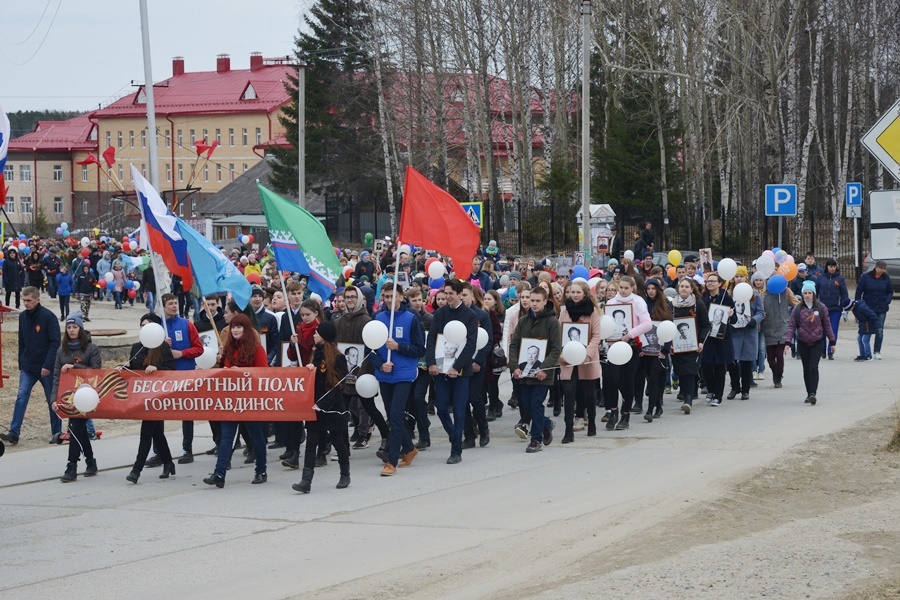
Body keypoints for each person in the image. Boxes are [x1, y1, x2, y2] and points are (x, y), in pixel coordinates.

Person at [203, 313, 269, 488]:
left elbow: (263, 373)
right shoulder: (228, 348)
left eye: (239, 327)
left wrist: (240, 372)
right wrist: (220, 362)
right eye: (233, 327)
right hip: (231, 400)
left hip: (249, 400)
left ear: (246, 329)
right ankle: (219, 473)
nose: (235, 330)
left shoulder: (256, 349)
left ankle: (261, 470)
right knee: (226, 437)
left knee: (256, 437)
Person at [369, 283, 426, 476]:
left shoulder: (411, 318)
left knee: (395, 415)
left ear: (402, 297)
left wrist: (398, 347)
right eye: (386, 296)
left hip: (404, 374)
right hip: (385, 374)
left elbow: (420, 349)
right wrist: (380, 364)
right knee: (394, 416)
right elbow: (370, 350)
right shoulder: (377, 319)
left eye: (393, 296)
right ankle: (409, 449)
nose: (389, 300)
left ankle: (391, 461)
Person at [292, 320, 352, 492]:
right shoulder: (316, 354)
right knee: (311, 443)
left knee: (338, 442)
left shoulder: (338, 358)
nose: (314, 335)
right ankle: (306, 480)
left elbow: (338, 387)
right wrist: (309, 371)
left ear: (324, 336)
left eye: (317, 332)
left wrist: (323, 404)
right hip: (315, 407)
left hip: (332, 407)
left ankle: (345, 474)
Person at [426, 278, 479, 464]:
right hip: (441, 369)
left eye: (451, 293)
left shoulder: (470, 315)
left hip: (461, 371)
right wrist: (431, 363)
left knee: (459, 409)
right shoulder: (440, 314)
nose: (447, 297)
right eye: (445, 293)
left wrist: (457, 366)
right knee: (441, 407)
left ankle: (456, 451)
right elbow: (432, 339)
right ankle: (454, 436)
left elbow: (471, 345)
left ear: (458, 294)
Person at [1, 287, 62, 445]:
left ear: (37, 299)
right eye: (24, 300)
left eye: (29, 300)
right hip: (28, 366)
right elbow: (21, 341)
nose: (26, 303)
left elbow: (55, 343)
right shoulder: (23, 317)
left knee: (52, 400)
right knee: (21, 396)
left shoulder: (48, 317)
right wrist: (21, 363)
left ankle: (57, 432)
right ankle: (14, 433)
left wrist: (48, 365)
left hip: (46, 368)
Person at [123, 313, 177, 483]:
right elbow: (132, 368)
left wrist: (157, 368)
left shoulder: (163, 347)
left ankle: (136, 470)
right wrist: (121, 368)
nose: (144, 329)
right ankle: (168, 462)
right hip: (142, 396)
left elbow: (172, 370)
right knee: (157, 433)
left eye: (147, 326)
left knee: (146, 433)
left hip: (158, 396)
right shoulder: (136, 347)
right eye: (142, 326)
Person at [48, 312, 101, 482]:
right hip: (69, 397)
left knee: (76, 427)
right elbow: (56, 377)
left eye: (75, 327)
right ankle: (91, 461)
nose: (71, 330)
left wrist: (75, 367)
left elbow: (97, 372)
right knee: (78, 429)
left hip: (88, 396)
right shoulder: (61, 350)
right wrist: (54, 399)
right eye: (69, 327)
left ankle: (72, 465)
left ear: (81, 329)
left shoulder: (91, 349)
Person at [335, 285, 389, 454]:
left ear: (359, 299)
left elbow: (370, 349)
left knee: (369, 407)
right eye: (347, 297)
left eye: (353, 297)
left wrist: (361, 373)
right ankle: (343, 448)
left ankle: (386, 437)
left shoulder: (367, 321)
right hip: (345, 374)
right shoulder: (338, 322)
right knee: (342, 412)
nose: (350, 300)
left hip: (362, 374)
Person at [509, 286, 562, 451]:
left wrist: (545, 368)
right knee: (526, 405)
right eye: (532, 300)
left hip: (542, 373)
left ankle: (536, 439)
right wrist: (514, 366)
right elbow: (514, 345)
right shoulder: (523, 321)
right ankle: (546, 423)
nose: (534, 304)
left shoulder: (552, 322)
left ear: (545, 301)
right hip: (525, 371)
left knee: (536, 403)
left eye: (538, 301)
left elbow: (556, 349)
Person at [602, 276, 653, 429]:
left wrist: (630, 334)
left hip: (631, 346)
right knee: (612, 380)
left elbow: (647, 324)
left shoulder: (638, 302)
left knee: (627, 381)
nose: (623, 291)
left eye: (626, 288)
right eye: (621, 288)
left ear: (632, 288)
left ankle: (625, 414)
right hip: (613, 347)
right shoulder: (611, 303)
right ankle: (613, 411)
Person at [161, 293, 204, 464]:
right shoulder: (158, 326)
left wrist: (182, 353)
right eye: (170, 304)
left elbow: (199, 349)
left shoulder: (187, 324)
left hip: (185, 375)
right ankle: (159, 451)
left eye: (175, 303)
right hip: (165, 376)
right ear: (163, 307)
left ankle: (187, 449)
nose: (174, 306)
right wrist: (162, 345)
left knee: (187, 413)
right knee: (159, 414)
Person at [558, 280, 601, 441]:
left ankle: (592, 423)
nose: (574, 295)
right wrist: (561, 354)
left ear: (584, 294)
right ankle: (568, 430)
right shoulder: (564, 311)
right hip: (568, 358)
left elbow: (596, 336)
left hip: (586, 359)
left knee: (589, 393)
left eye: (578, 292)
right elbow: (559, 333)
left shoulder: (592, 312)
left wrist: (587, 354)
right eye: (572, 292)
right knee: (569, 393)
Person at [784, 281, 835, 405]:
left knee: (813, 367)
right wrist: (787, 342)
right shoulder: (797, 309)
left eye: (810, 293)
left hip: (817, 342)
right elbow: (791, 326)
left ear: (814, 294)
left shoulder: (821, 308)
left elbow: (827, 325)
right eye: (805, 293)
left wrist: (832, 341)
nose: (807, 295)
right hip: (803, 342)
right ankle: (808, 393)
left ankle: (813, 393)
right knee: (806, 369)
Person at [671, 278, 710, 413]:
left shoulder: (698, 304)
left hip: (694, 346)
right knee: (680, 371)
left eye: (687, 287)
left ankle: (688, 400)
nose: (684, 289)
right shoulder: (672, 305)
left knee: (690, 371)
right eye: (682, 286)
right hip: (677, 346)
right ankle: (685, 393)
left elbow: (706, 325)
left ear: (692, 289)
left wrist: (701, 341)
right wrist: (669, 343)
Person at [727, 267, 764, 401]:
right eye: (736, 276)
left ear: (746, 278)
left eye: (741, 276)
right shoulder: (729, 295)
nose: (739, 279)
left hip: (749, 332)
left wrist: (754, 320)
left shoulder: (754, 294)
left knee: (746, 361)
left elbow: (761, 312)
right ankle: (735, 387)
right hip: (734, 331)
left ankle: (745, 389)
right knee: (732, 361)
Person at [701, 274, 737, 407]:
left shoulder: (726, 298)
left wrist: (731, 315)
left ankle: (718, 395)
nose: (710, 283)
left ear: (719, 283)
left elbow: (734, 320)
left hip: (722, 337)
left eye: (713, 281)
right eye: (708, 281)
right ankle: (710, 389)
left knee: (720, 366)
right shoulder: (703, 298)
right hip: (707, 337)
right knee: (706, 365)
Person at [761, 274, 796, 388]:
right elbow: (759, 309)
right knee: (770, 358)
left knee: (779, 354)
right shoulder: (764, 295)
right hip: (769, 328)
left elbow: (796, 303)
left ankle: (778, 378)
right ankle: (775, 373)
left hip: (783, 327)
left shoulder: (786, 292)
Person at [855, 260, 893, 360]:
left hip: (881, 308)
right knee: (866, 329)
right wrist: (858, 304)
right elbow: (859, 291)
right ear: (876, 267)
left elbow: (890, 291)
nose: (882, 271)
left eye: (884, 269)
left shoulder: (886, 278)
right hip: (868, 307)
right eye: (881, 268)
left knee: (879, 330)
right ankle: (865, 351)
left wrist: (887, 300)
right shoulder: (865, 277)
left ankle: (877, 351)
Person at [814, 259, 848, 360]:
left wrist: (845, 306)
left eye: (834, 266)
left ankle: (830, 351)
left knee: (833, 329)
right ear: (827, 267)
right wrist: (815, 304)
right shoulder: (820, 278)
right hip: (822, 308)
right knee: (822, 330)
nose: (832, 268)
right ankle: (823, 349)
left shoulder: (840, 279)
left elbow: (844, 294)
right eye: (830, 266)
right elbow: (815, 292)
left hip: (836, 308)